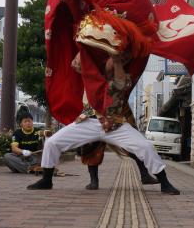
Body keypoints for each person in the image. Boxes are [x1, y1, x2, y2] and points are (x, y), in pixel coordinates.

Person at [27, 46, 180, 195]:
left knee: (146, 146)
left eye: (114, 62)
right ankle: (47, 180)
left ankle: (165, 183)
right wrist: (86, 47)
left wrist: (117, 60)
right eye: (110, 61)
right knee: (52, 142)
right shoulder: (90, 73)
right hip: (88, 121)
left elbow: (120, 82)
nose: (111, 63)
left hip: (115, 124)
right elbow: (76, 64)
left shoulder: (121, 76)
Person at [4, 106, 43, 174]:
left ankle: (24, 168)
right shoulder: (17, 133)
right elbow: (14, 149)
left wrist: (45, 136)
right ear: (21, 124)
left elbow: (45, 140)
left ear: (32, 122)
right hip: (21, 157)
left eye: (29, 121)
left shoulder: (38, 132)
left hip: (34, 157)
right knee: (7, 156)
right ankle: (31, 169)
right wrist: (23, 151)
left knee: (39, 160)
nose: (28, 123)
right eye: (25, 121)